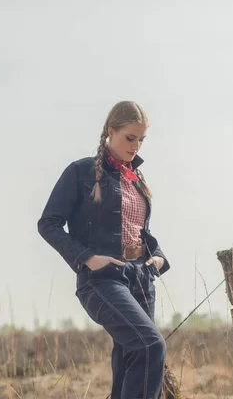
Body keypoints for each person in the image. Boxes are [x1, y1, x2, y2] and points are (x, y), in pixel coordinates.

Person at [37, 100, 171, 398]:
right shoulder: (81, 172)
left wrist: (159, 257)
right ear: (111, 131)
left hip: (141, 278)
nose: (136, 146)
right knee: (151, 346)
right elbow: (48, 223)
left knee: (128, 361)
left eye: (141, 140)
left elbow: (140, 230)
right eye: (130, 137)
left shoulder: (136, 178)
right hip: (102, 280)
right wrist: (87, 258)